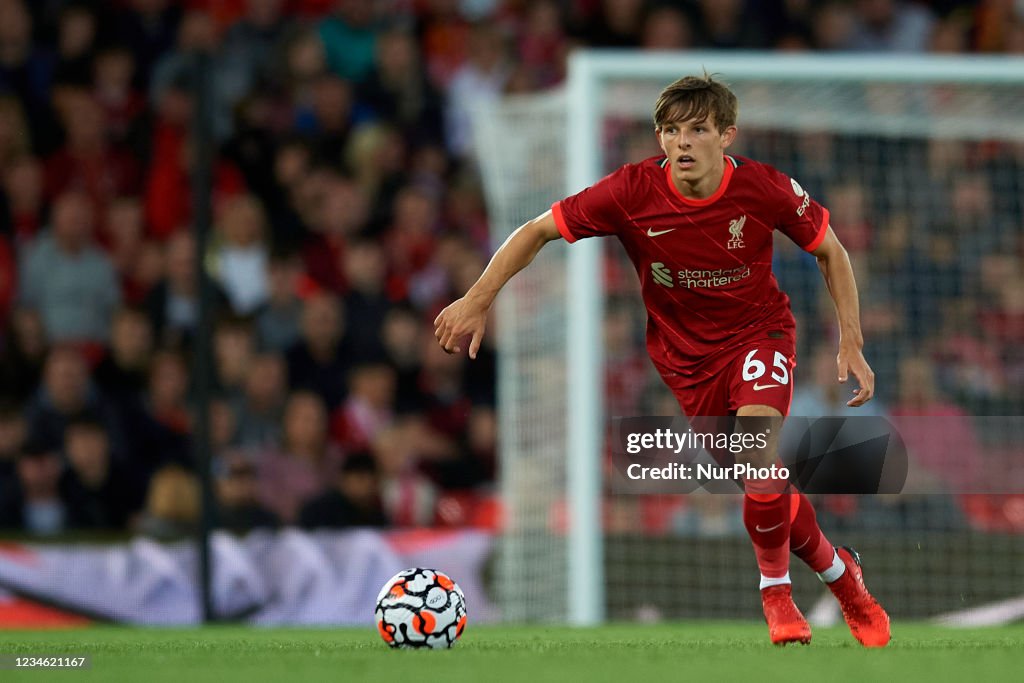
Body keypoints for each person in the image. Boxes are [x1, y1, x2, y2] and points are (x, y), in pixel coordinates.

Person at [434, 73, 890, 647]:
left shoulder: (765, 188)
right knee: (762, 483)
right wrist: (477, 300)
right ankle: (843, 578)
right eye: (671, 130)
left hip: (761, 336)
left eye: (697, 129)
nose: (682, 142)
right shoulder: (629, 191)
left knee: (757, 453)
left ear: (726, 136)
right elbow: (537, 231)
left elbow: (831, 249)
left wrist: (851, 338)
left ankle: (775, 596)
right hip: (686, 363)